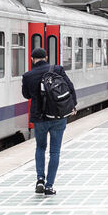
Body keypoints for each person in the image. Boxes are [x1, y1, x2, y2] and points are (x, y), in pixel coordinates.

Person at [21, 47, 77, 196]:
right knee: (55, 152)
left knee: (40, 148)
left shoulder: (28, 76)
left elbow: (26, 95)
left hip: (39, 118)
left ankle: (40, 179)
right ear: (46, 57)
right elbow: (70, 88)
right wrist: (73, 106)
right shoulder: (57, 69)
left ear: (32, 59)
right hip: (59, 117)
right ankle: (49, 186)